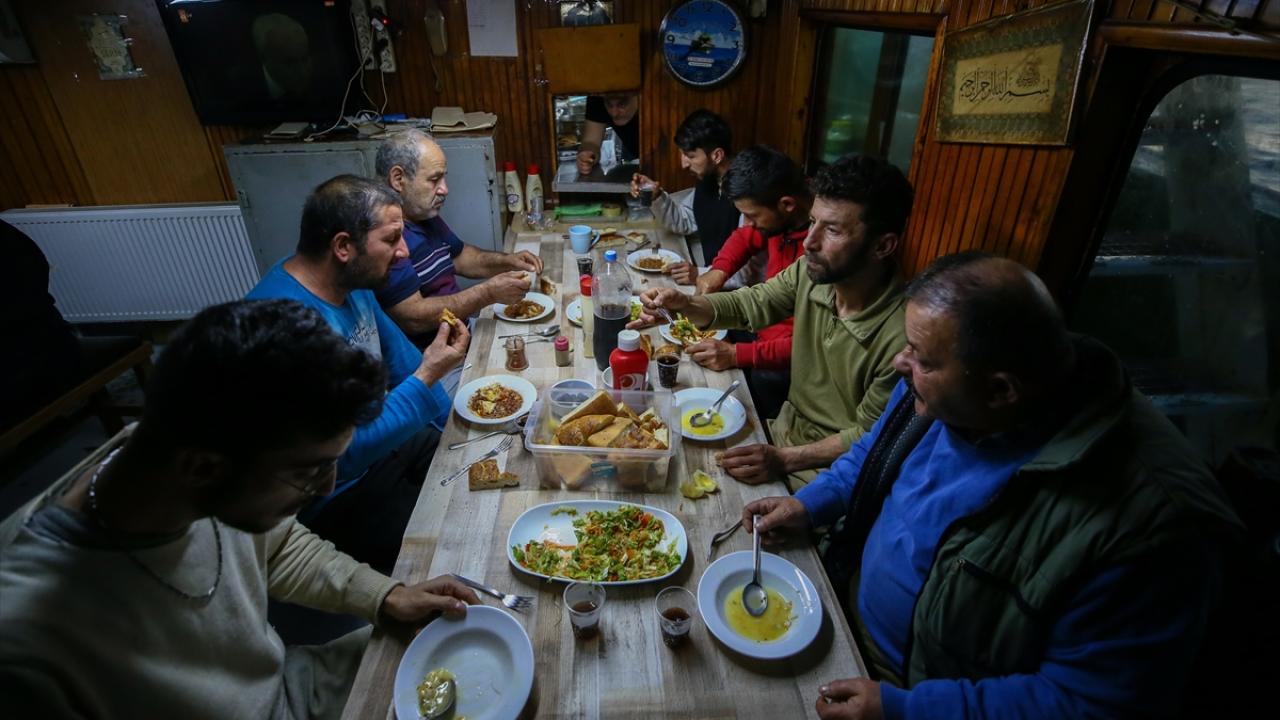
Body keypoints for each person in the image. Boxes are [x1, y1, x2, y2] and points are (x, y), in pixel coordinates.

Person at [743, 252, 1242, 719]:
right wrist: (809, 504)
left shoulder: (1149, 523)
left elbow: (1086, 703)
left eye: (919, 356)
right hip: (839, 600)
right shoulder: (945, 388)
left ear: (1001, 389)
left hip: (916, 690)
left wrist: (905, 708)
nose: (901, 362)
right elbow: (871, 455)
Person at [0, 298, 481, 719]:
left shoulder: (174, 457)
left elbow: (280, 545)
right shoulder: (29, 646)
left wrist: (386, 597)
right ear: (204, 468)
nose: (325, 488)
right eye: (310, 471)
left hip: (295, 687)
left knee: (479, 637)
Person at [632, 154, 912, 491]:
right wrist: (686, 303)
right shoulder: (814, 276)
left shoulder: (903, 337)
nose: (810, 241)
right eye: (812, 222)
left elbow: (869, 436)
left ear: (883, 245)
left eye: (833, 230)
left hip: (825, 475)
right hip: (780, 432)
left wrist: (784, 458)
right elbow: (753, 302)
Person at [247, 174, 468, 573]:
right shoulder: (287, 327)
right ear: (343, 246)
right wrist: (428, 375)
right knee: (452, 551)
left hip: (385, 443)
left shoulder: (354, 282)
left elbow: (405, 365)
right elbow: (342, 459)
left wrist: (456, 433)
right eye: (391, 240)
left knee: (477, 474)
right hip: (340, 493)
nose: (403, 253)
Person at [374, 129, 542, 361]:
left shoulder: (423, 215)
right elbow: (412, 316)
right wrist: (487, 293)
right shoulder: (386, 236)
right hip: (435, 361)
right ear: (398, 179)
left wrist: (508, 261)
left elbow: (460, 257)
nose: (445, 189)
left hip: (464, 335)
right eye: (434, 180)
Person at [630, 109, 743, 286]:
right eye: (682, 154)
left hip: (737, 293)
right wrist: (657, 196)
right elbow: (684, 221)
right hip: (712, 280)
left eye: (690, 156)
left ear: (717, 155)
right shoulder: (709, 180)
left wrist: (700, 274)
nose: (683, 164)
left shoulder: (746, 195)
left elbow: (751, 274)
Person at [577, 93, 640, 174]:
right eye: (608, 104)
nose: (614, 113)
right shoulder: (597, 96)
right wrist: (587, 155)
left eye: (622, 104)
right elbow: (591, 142)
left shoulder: (656, 96)